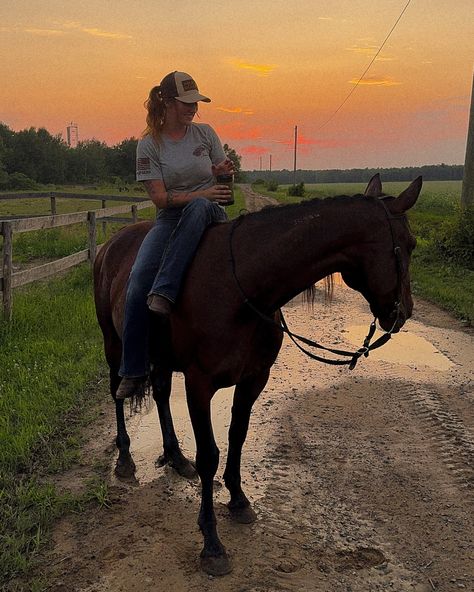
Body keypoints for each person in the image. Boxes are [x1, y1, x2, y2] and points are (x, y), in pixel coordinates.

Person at [117, 71, 234, 399]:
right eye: (185, 103)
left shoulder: (205, 134)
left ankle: (165, 293)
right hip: (169, 218)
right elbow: (159, 199)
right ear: (166, 103)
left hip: (210, 213)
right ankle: (133, 368)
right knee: (138, 280)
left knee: (199, 210)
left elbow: (222, 178)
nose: (192, 109)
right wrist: (202, 194)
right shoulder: (148, 145)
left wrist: (224, 177)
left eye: (195, 103)